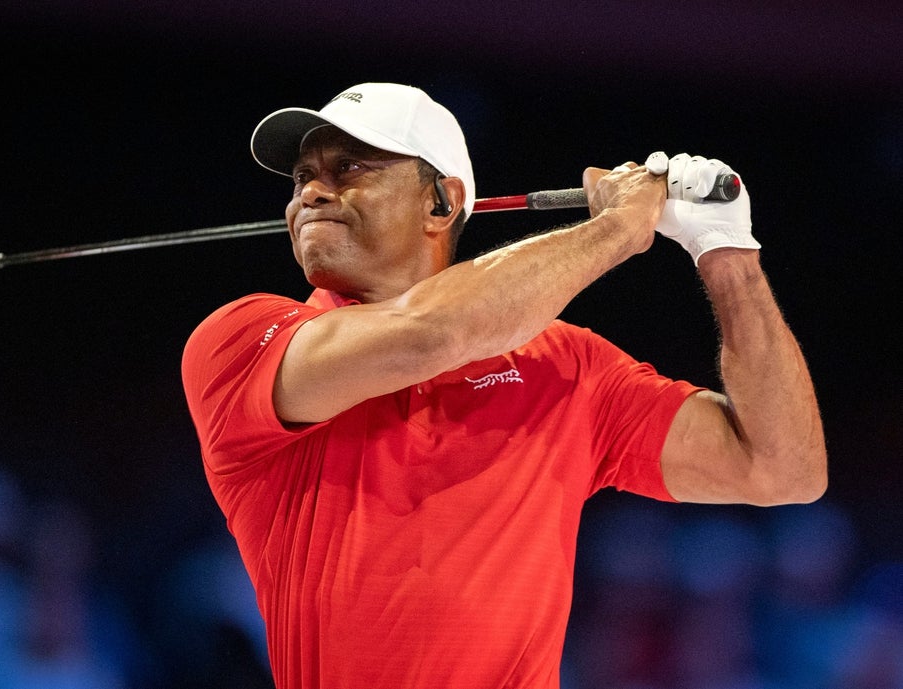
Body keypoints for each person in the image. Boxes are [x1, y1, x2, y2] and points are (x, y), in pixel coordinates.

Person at [180, 82, 827, 689]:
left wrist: (727, 255)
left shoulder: (565, 365)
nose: (312, 195)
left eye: (348, 169)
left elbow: (783, 469)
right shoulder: (241, 339)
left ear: (441, 201)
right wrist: (615, 229)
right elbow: (431, 333)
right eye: (302, 178)